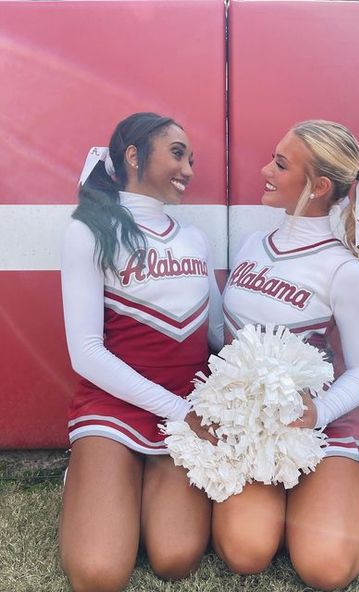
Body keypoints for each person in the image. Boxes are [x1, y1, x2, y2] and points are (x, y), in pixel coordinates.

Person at [216, 120, 359, 591]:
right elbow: (224, 337)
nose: (264, 171)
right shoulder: (252, 246)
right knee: (245, 552)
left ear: (318, 187)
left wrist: (320, 413)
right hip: (252, 428)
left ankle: (344, 509)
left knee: (325, 568)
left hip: (316, 424)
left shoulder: (344, 271)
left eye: (279, 164)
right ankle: (293, 505)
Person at [59, 112, 223, 592]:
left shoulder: (196, 239)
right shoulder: (89, 230)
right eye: (177, 154)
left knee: (175, 557)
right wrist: (179, 411)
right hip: (114, 407)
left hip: (184, 411)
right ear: (133, 156)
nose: (189, 170)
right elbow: (85, 353)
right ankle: (93, 472)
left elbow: (216, 331)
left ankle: (131, 482)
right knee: (97, 573)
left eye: (192, 159)